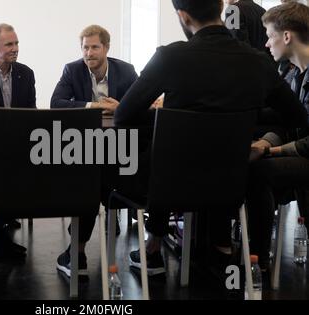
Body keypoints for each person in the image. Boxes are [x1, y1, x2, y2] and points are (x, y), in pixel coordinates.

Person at [55, 0, 306, 279]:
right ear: (221, 6)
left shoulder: (170, 57)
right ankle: (161, 247)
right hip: (230, 182)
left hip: (164, 184)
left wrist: (163, 116)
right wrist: (244, 116)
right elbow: (297, 117)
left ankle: (85, 252)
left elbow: (124, 115)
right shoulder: (259, 62)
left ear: (183, 16)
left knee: (93, 158)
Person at [247, 1, 309, 269]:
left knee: (258, 172)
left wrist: (273, 150)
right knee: (253, 165)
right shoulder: (292, 74)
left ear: (286, 36)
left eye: (270, 36)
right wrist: (265, 142)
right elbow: (287, 123)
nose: (266, 44)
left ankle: (256, 262)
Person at [50, 25, 138, 115]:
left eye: (95, 47)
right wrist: (96, 105)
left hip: (117, 126)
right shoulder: (72, 70)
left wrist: (120, 108)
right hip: (85, 125)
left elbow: (142, 102)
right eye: (86, 47)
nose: (89, 53)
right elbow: (55, 103)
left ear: (106, 48)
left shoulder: (126, 70)